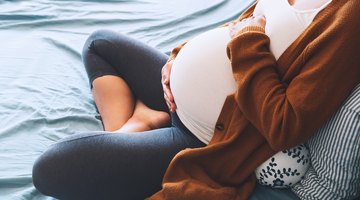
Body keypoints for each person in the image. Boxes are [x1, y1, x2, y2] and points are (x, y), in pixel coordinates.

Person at [32, 0, 360, 199]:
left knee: (51, 169)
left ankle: (136, 124)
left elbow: (285, 126)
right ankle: (142, 121)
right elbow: (244, 24)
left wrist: (247, 41)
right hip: (174, 96)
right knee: (100, 43)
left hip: (208, 136)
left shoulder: (350, 18)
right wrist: (178, 58)